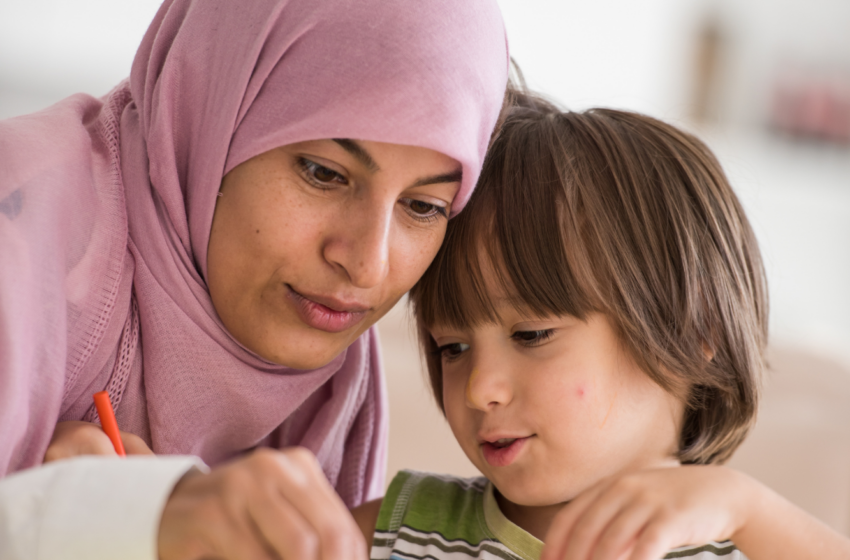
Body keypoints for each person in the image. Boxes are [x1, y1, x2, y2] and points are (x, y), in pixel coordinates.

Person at [0, 0, 509, 558]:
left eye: (423, 206)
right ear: (208, 112)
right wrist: (111, 517)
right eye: (323, 173)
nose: (367, 265)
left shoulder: (335, 385)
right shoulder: (19, 229)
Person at [349, 97, 850, 560]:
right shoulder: (399, 531)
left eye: (532, 335)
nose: (480, 390)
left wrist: (747, 506)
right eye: (452, 348)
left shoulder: (748, 543)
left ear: (694, 329)